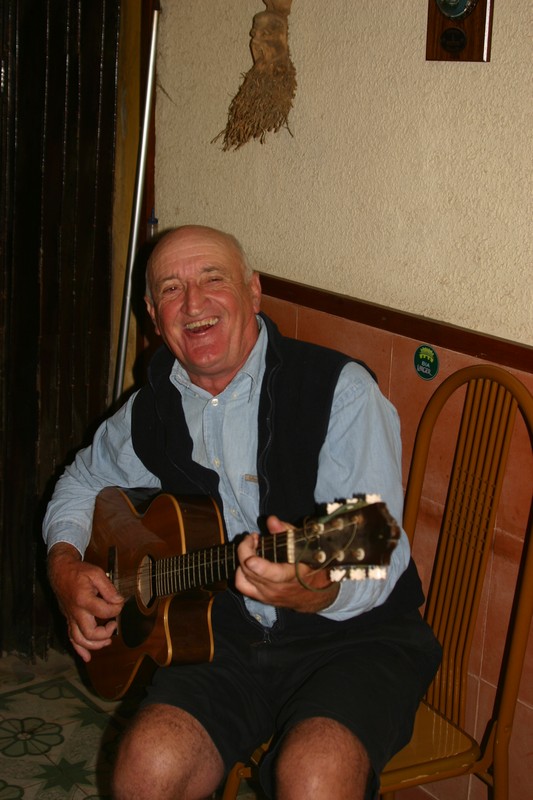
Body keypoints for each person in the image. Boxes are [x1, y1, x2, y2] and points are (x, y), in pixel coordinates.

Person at [43, 225, 441, 800]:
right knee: (147, 768)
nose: (193, 303)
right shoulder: (150, 409)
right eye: (172, 289)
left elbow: (375, 545)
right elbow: (81, 481)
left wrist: (318, 590)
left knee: (315, 775)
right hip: (221, 636)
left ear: (253, 291)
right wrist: (63, 566)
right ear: (153, 316)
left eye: (213, 279)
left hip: (356, 640)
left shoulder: (340, 391)